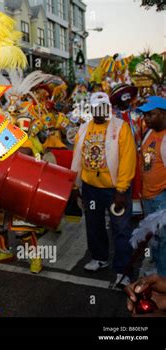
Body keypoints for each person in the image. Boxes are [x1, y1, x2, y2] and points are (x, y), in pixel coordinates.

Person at [71, 92, 136, 288]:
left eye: (103, 108)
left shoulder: (120, 127)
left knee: (121, 229)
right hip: (91, 188)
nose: (99, 112)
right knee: (93, 225)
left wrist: (122, 190)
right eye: (95, 108)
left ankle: (123, 270)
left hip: (115, 189)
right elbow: (77, 158)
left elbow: (128, 159)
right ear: (90, 109)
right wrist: (75, 185)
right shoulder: (83, 128)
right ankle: (99, 258)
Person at [138, 96, 166, 276]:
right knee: (155, 238)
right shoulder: (149, 132)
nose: (146, 118)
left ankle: (162, 278)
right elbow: (147, 161)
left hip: (161, 198)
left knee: (163, 240)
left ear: (163, 114)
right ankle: (158, 270)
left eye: (151, 114)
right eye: (145, 115)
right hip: (148, 195)